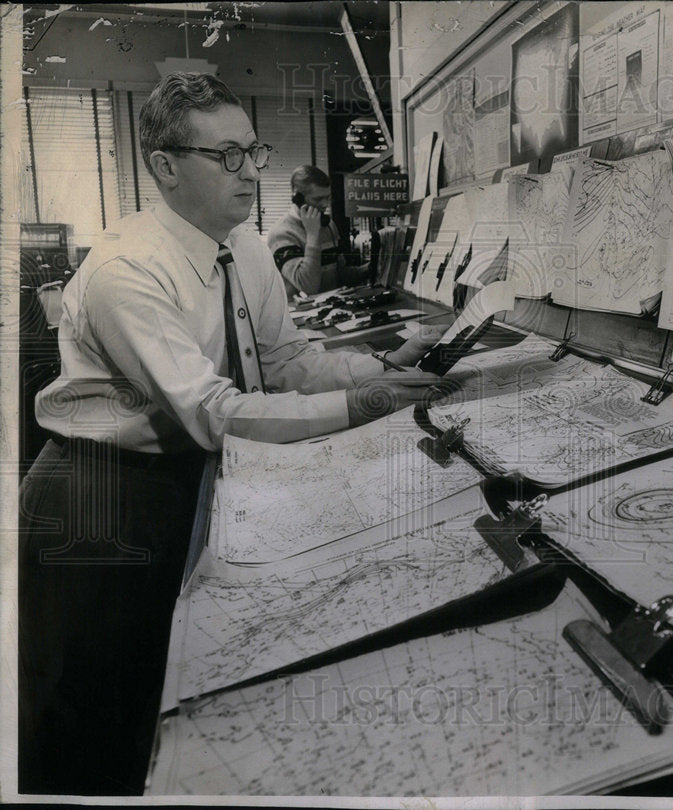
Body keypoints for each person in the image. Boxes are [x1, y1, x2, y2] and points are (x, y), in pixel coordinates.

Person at [18, 72, 448, 796]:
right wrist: (365, 404)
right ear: (165, 167)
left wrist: (376, 365)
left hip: (189, 476)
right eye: (228, 157)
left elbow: (286, 362)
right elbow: (213, 412)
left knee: (167, 687)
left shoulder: (242, 245)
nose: (253, 172)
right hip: (97, 501)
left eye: (254, 150)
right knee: (92, 713)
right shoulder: (128, 267)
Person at [266, 165, 366, 298]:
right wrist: (313, 235)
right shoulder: (281, 234)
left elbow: (339, 274)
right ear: (298, 199)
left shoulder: (329, 225)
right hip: (302, 314)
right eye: (318, 199)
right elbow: (308, 286)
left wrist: (368, 269)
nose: (325, 204)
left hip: (333, 309)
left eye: (328, 198)